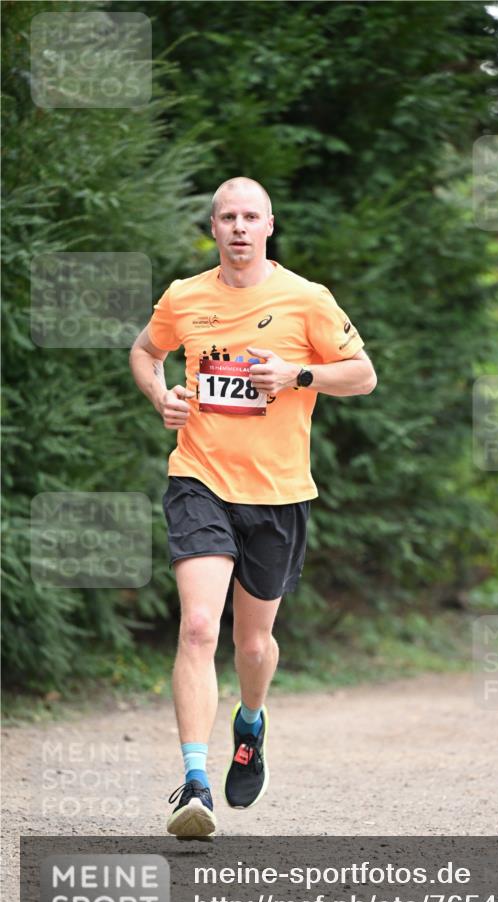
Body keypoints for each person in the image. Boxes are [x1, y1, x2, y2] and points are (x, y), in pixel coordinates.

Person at [129, 176, 377, 836]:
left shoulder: (306, 299)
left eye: (250, 217)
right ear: (213, 228)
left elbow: (362, 374)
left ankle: (251, 720)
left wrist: (298, 375)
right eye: (227, 217)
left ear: (269, 226)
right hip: (199, 478)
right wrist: (161, 397)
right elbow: (145, 351)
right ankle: (195, 782)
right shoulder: (185, 298)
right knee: (199, 627)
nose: (238, 227)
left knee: (253, 642)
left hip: (277, 494)